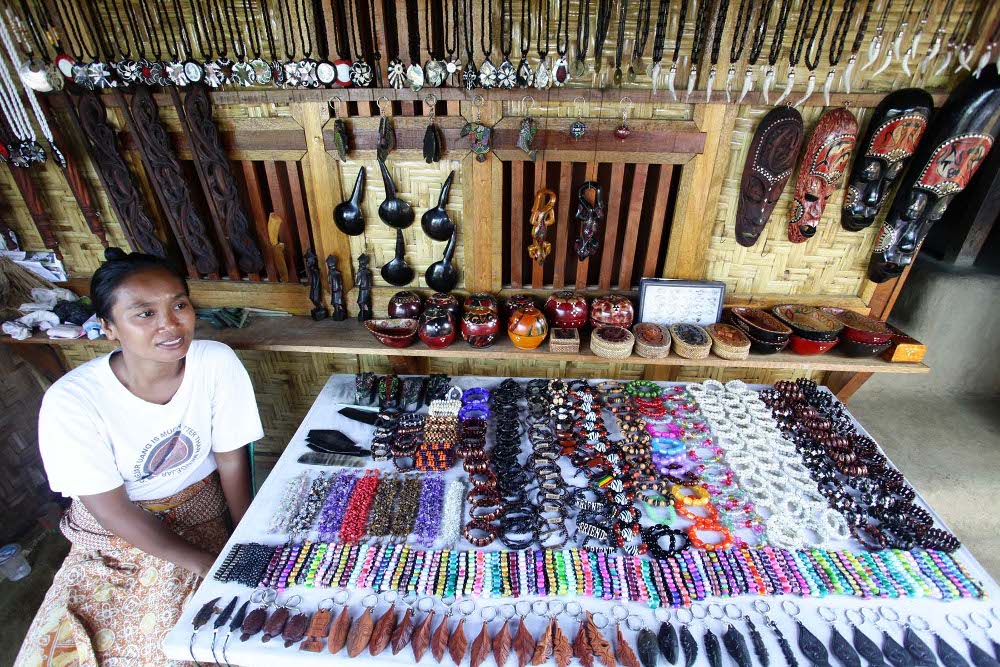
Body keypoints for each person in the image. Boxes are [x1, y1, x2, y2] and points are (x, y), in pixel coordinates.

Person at [16, 248, 264, 667]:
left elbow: (232, 462)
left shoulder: (215, 363)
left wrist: (243, 544)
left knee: (196, 643)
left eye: (179, 305)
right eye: (144, 314)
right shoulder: (73, 402)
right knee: (78, 648)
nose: (170, 324)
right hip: (113, 537)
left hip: (200, 513)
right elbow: (113, 511)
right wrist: (210, 564)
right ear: (108, 328)